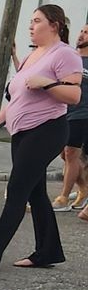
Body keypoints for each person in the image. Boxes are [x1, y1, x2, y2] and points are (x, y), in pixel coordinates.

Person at [0, 4, 81, 273]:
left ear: (55, 25)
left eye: (37, 21)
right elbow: (16, 100)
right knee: (36, 193)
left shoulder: (66, 55)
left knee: (16, 190)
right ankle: (47, 251)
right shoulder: (32, 56)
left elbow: (74, 96)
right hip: (22, 132)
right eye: (30, 21)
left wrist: (47, 84)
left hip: (47, 130)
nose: (31, 25)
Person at [54, 23, 88, 209]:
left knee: (71, 153)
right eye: (81, 31)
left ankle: (63, 198)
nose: (81, 35)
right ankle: (84, 188)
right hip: (63, 111)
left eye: (86, 33)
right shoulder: (71, 56)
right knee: (63, 154)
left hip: (82, 113)